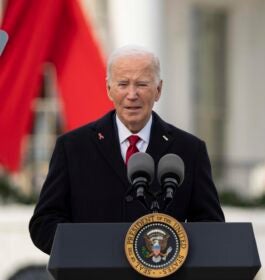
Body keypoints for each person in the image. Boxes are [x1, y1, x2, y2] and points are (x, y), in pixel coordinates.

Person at [29, 45, 225, 255]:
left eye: (142, 84)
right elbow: (44, 223)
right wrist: (86, 252)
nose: (132, 94)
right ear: (109, 89)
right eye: (123, 84)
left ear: (158, 90)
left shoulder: (189, 150)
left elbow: (210, 226)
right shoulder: (73, 147)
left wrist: (171, 253)